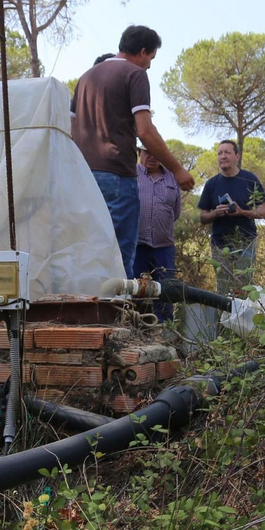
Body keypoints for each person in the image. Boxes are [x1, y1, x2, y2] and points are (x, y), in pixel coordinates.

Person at [71, 25, 196, 278]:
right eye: (151, 58)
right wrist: (177, 169)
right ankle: (117, 315)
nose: (149, 64)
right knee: (119, 258)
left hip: (83, 177)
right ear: (142, 51)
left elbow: (71, 127)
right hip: (117, 176)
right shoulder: (135, 74)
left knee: (87, 253)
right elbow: (145, 131)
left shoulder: (86, 77)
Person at [197, 139, 265, 293]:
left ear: (237, 156)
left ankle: (244, 317)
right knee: (223, 289)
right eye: (219, 153)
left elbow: (264, 212)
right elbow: (203, 217)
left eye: (227, 152)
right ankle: (224, 317)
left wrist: (242, 212)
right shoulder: (211, 184)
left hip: (246, 243)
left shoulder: (249, 179)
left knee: (245, 288)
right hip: (219, 244)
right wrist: (216, 213)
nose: (222, 156)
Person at [134, 145, 182, 320]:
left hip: (164, 247)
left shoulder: (172, 178)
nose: (151, 157)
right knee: (133, 290)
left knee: (165, 291)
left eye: (156, 153)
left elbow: (176, 212)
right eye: (147, 152)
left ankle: (165, 332)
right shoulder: (131, 174)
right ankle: (135, 328)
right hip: (136, 245)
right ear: (140, 153)